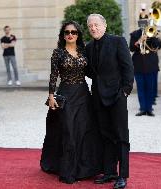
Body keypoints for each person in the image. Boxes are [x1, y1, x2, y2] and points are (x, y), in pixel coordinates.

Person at [40, 21, 102, 184]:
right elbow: (54, 75)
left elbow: (92, 72)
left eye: (74, 32)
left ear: (78, 35)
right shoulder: (58, 53)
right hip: (66, 94)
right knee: (68, 130)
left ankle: (86, 168)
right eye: (67, 32)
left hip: (83, 94)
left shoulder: (84, 51)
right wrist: (51, 95)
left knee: (85, 130)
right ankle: (68, 170)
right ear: (63, 35)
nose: (70, 35)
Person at [85, 14, 134, 189]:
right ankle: (110, 171)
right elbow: (91, 73)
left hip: (117, 96)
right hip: (98, 97)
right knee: (105, 135)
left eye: (96, 25)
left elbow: (127, 67)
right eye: (90, 26)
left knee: (121, 136)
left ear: (104, 26)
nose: (93, 28)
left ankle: (123, 175)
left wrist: (125, 91)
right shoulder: (89, 47)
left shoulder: (118, 41)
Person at [130, 5, 161, 117]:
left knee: (150, 87)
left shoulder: (153, 32)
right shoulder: (135, 34)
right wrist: (140, 40)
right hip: (139, 64)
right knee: (141, 88)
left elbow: (158, 45)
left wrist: (151, 36)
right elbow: (131, 48)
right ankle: (142, 108)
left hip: (151, 64)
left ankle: (149, 109)